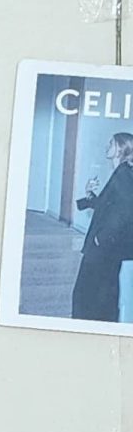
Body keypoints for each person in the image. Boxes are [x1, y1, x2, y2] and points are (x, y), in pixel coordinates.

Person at [70, 132, 133, 321]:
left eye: (111, 143)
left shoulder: (123, 174)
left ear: (120, 149)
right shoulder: (122, 172)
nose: (107, 146)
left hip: (104, 248)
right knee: (102, 292)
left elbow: (127, 209)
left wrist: (102, 237)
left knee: (86, 293)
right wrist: (89, 194)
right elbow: (108, 206)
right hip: (108, 247)